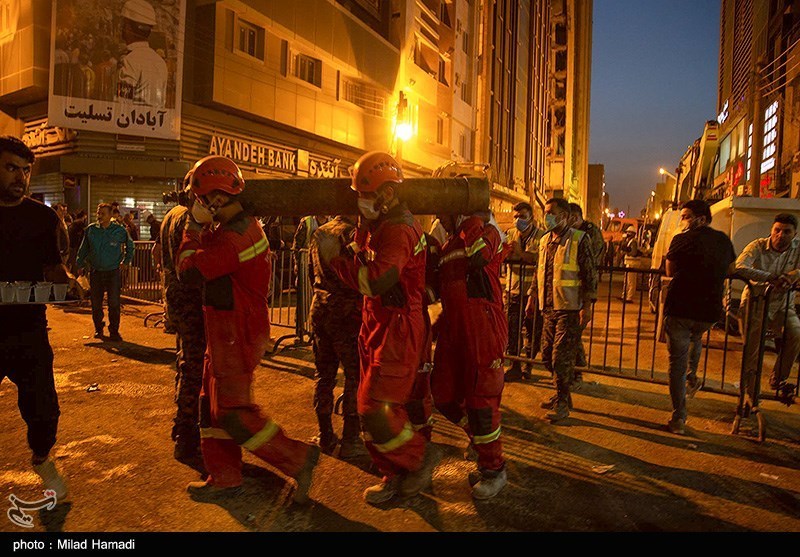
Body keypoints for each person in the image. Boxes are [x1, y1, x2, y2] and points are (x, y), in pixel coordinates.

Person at [176, 155, 318, 503]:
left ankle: (298, 458)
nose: (200, 204)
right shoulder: (228, 229)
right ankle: (224, 476)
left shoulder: (237, 236)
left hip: (237, 332)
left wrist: (192, 229)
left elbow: (189, 271)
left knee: (233, 413)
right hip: (225, 329)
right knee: (211, 407)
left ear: (216, 199)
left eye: (202, 199)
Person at [328, 151, 438, 505]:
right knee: (378, 407)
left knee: (376, 406)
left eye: (367, 194)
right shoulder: (381, 226)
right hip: (379, 323)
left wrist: (335, 259)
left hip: (397, 327)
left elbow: (378, 279)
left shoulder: (399, 230)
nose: (361, 201)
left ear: (388, 194)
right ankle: (395, 473)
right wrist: (352, 237)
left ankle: (417, 459)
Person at [0, 136, 70, 501]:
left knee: (44, 412)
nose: (21, 177)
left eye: (26, 170)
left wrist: (70, 285)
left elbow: (53, 268)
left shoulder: (42, 217)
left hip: (29, 332)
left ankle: (42, 459)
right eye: (12, 168)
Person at [431, 211, 509, 499]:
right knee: (442, 395)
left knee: (481, 405)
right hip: (454, 328)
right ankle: (480, 443)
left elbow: (479, 258)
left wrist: (471, 222)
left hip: (483, 329)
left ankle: (494, 469)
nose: (440, 214)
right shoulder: (449, 244)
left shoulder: (484, 232)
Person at [662, 199, 736, 435]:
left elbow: (669, 271)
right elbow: (731, 270)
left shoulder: (681, 239)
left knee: (676, 363)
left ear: (701, 218)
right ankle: (692, 376)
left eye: (686, 216)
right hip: (708, 310)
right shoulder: (723, 240)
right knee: (696, 338)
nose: (683, 220)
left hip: (681, 308)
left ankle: (679, 416)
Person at [527, 197, 597, 421]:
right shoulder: (545, 240)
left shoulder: (579, 239)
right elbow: (540, 271)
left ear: (565, 217)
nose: (547, 217)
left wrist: (586, 306)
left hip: (570, 308)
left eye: (551, 213)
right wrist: (532, 297)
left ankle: (562, 403)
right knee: (546, 355)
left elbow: (589, 275)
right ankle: (562, 393)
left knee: (560, 358)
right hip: (547, 307)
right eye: (545, 212)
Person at [307, 215, 368, 458]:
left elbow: (312, 272)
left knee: (324, 374)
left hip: (320, 305)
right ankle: (351, 439)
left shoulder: (319, 232)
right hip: (346, 311)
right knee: (354, 375)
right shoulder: (351, 234)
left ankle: (325, 434)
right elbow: (360, 274)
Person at [160, 174, 205, 462]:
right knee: (194, 367)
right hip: (190, 299)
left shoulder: (170, 215)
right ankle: (187, 435)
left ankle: (181, 426)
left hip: (175, 297)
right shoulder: (189, 219)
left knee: (184, 361)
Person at [735, 213, 800, 396]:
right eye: (777, 230)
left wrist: (795, 274)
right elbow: (739, 266)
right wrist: (770, 278)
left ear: (794, 234)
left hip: (783, 304)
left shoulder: (798, 248)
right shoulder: (758, 245)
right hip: (756, 301)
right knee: (753, 349)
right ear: (771, 230)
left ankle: (779, 378)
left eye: (786, 232)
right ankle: (749, 394)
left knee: (795, 334)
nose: (781, 235)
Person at [76, 203, 134, 341]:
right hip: (96, 271)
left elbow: (130, 246)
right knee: (96, 303)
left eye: (103, 213)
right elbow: (83, 248)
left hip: (113, 272)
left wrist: (126, 262)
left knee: (114, 303)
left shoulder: (119, 230)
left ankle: (114, 330)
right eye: (98, 213)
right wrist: (80, 263)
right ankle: (98, 328)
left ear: (110, 215)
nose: (99, 216)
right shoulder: (91, 230)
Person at [504, 201, 544, 382]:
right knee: (513, 330)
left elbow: (539, 260)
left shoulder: (541, 237)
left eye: (522, 217)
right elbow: (504, 255)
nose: (518, 220)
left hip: (532, 294)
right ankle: (514, 365)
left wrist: (520, 254)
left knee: (532, 331)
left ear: (531, 219)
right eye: (516, 217)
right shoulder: (510, 234)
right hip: (512, 290)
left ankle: (528, 364)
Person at [567, 203, 604, 374]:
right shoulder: (569, 232)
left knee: (574, 331)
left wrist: (588, 300)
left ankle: (577, 368)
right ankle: (578, 365)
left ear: (574, 216)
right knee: (571, 331)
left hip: (582, 287)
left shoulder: (590, 232)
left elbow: (590, 261)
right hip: (569, 288)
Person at [116, 0, 168, 108]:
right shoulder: (161, 63)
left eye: (124, 24)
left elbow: (122, 105)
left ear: (128, 28)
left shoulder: (130, 60)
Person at [293, 215, 327, 341]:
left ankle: (316, 332)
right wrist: (297, 263)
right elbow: (297, 245)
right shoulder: (307, 222)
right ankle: (300, 332)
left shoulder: (331, 222)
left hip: (321, 267)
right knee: (304, 301)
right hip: (306, 265)